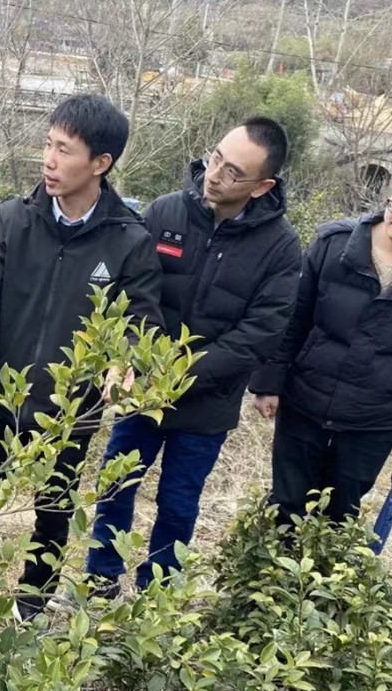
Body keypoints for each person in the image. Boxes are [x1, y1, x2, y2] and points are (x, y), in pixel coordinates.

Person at [0, 93, 163, 619]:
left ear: (100, 163)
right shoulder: (15, 218)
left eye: (64, 150)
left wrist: (125, 359)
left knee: (54, 506)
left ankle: (33, 599)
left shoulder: (128, 240)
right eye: (48, 145)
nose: (49, 161)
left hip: (70, 407)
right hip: (1, 394)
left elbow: (140, 321)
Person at [81, 118, 302, 596]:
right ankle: (101, 577)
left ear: (262, 186)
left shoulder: (280, 247)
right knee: (116, 484)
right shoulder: (165, 213)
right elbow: (132, 292)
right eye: (215, 157)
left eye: (233, 171)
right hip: (143, 391)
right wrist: (139, 359)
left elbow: (260, 332)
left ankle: (156, 591)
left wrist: (180, 373)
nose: (214, 174)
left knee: (179, 501)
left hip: (207, 402)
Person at [249, 147, 392, 523]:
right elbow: (293, 318)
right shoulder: (334, 245)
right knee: (286, 505)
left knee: (340, 515)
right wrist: (268, 381)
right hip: (305, 399)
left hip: (374, 419)